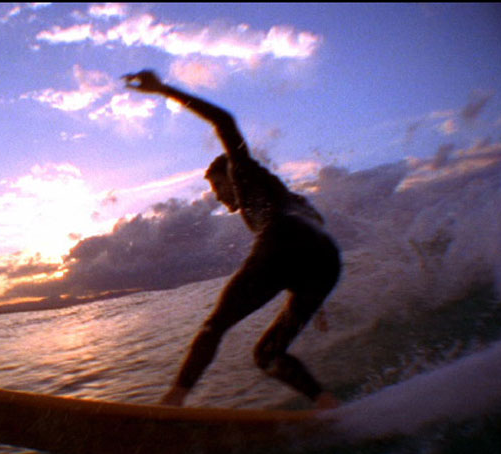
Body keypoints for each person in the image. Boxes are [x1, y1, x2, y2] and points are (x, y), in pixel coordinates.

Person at [123, 70, 341, 409]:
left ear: (229, 175)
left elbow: (224, 120)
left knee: (214, 326)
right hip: (326, 261)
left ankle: (172, 401)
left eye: (216, 188)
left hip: (282, 244)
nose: (219, 199)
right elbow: (314, 234)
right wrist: (317, 302)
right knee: (267, 354)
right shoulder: (292, 201)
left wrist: (163, 89)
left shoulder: (242, 173)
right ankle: (328, 405)